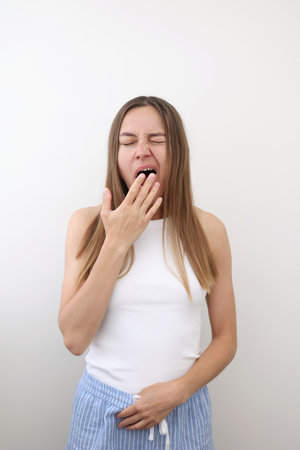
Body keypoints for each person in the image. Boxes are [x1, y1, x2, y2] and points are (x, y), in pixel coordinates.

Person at [58, 95, 237, 450]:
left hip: (182, 412)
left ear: (178, 152)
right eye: (128, 141)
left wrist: (179, 390)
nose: (141, 150)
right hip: (103, 416)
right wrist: (117, 242)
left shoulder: (209, 230)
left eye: (156, 139)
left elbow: (226, 339)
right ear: (117, 154)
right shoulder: (86, 225)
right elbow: (74, 340)